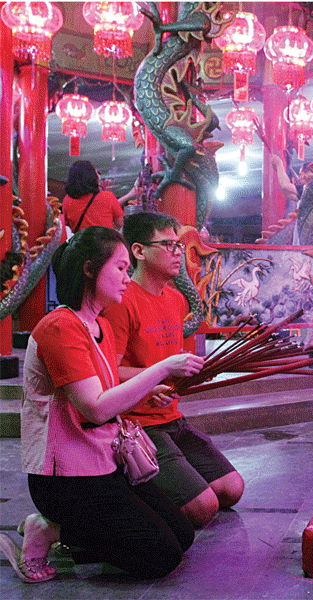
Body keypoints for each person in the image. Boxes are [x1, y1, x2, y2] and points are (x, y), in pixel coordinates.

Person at [0, 226, 203, 583]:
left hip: (104, 462)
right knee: (161, 556)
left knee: (182, 534)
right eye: (121, 268)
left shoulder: (101, 326)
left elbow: (105, 386)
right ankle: (48, 529)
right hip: (66, 479)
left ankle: (74, 535)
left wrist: (147, 389)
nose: (127, 278)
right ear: (90, 269)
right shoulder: (60, 327)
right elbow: (94, 408)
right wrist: (161, 369)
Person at [102, 212, 244, 528]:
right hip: (138, 423)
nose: (178, 252)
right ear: (138, 251)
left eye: (179, 245)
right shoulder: (122, 302)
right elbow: (108, 371)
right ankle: (127, 484)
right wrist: (154, 379)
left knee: (232, 489)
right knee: (204, 508)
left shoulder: (177, 300)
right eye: (168, 245)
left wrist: (188, 370)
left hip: (172, 418)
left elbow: (169, 358)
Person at [62, 160, 137, 232]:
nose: (99, 176)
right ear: (92, 177)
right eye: (97, 173)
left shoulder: (67, 200)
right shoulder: (107, 196)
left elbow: (68, 224)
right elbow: (121, 224)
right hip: (104, 240)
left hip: (80, 240)